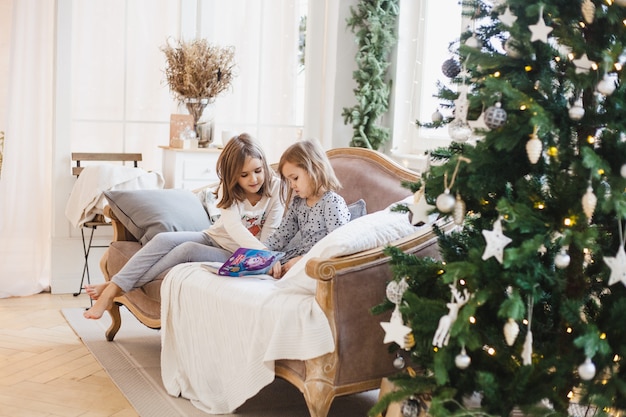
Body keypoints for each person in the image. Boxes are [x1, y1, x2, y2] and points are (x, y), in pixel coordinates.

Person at [83, 133, 284, 319]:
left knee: (187, 250)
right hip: (214, 237)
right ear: (233, 175)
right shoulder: (227, 189)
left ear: (264, 166)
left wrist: (265, 256)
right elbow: (232, 227)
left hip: (239, 253)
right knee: (162, 239)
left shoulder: (276, 188)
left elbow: (270, 231)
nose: (254, 179)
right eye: (244, 175)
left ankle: (112, 290)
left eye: (257, 171)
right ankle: (115, 287)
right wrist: (265, 251)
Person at [263, 139, 351, 278]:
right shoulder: (298, 203)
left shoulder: (332, 203)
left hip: (318, 265)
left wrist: (303, 260)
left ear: (314, 169)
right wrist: (263, 254)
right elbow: (281, 235)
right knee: (269, 269)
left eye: (295, 178)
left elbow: (336, 247)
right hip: (297, 261)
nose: (292, 185)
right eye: (289, 181)